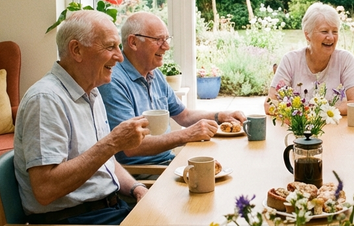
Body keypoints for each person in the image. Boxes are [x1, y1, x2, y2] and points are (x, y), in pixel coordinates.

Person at [13, 10, 151, 226]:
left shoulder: (91, 92)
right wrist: (112, 143)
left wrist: (135, 187)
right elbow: (45, 188)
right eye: (110, 47)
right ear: (76, 50)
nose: (120, 57)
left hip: (106, 213)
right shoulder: (46, 100)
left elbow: (106, 164)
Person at [99, 12, 246, 166]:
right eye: (158, 40)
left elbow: (184, 116)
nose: (167, 46)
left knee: (233, 162)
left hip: (167, 163)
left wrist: (221, 116)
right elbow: (131, 147)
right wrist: (186, 134)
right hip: (144, 173)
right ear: (133, 42)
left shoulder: (154, 74)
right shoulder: (113, 81)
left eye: (167, 39)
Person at [265, 3, 354, 115]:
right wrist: (303, 115)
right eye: (324, 31)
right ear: (308, 35)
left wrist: (318, 113)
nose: (331, 37)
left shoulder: (345, 60)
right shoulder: (290, 61)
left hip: (337, 129)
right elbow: (269, 103)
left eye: (335, 31)